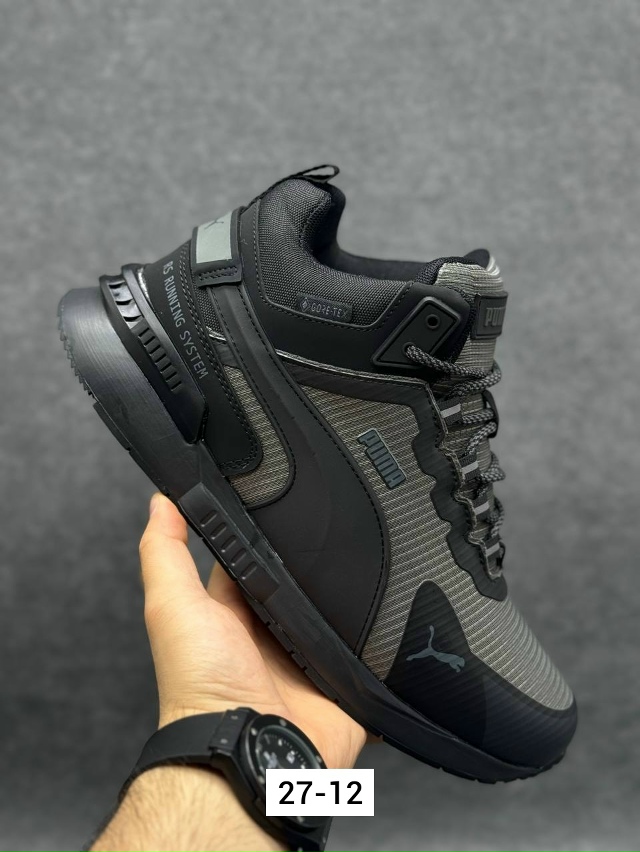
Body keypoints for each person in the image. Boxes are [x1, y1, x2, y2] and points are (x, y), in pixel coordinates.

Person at [90, 493, 368, 852]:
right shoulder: (338, 769)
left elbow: (355, 796)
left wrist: (207, 712)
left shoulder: (340, 783)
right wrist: (319, 793)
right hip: (326, 736)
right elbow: (355, 797)